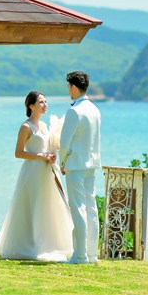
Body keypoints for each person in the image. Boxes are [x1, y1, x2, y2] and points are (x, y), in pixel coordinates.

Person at [0, 91, 73, 261]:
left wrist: (51, 156)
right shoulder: (26, 127)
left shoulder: (45, 126)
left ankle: (49, 243)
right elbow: (18, 153)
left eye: (46, 101)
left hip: (47, 172)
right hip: (32, 173)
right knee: (32, 207)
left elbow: (48, 148)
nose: (45, 105)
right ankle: (28, 244)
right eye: (41, 102)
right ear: (31, 105)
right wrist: (40, 156)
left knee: (48, 208)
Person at [59, 71, 102, 264]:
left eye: (69, 87)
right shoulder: (94, 109)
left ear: (74, 87)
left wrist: (62, 162)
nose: (68, 90)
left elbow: (65, 142)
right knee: (91, 207)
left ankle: (80, 254)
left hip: (76, 164)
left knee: (78, 208)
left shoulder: (74, 111)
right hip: (92, 164)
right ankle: (92, 253)